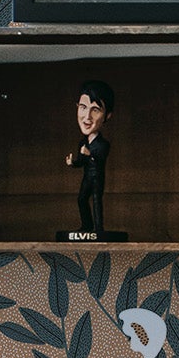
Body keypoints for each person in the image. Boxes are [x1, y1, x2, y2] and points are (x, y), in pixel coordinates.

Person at [63, 80, 114, 241]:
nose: (87, 117)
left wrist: (89, 154)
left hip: (97, 177)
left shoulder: (102, 144)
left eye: (96, 110)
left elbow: (99, 159)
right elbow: (81, 161)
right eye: (83, 108)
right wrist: (74, 163)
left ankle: (98, 229)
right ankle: (86, 226)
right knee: (81, 199)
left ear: (107, 116)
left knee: (97, 201)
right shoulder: (83, 142)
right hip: (87, 177)